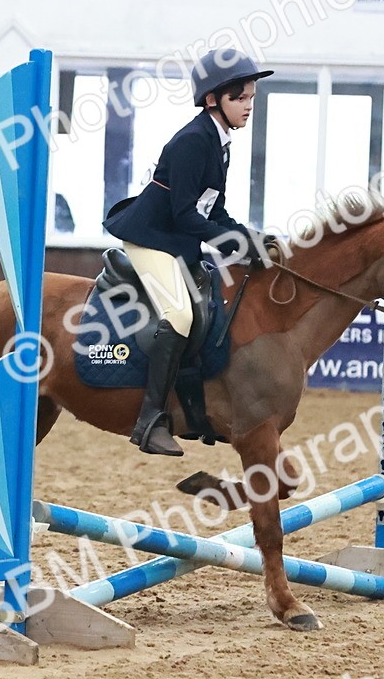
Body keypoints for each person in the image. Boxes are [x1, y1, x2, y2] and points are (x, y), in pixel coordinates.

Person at [103, 48, 280, 457]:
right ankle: (149, 420)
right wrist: (233, 243)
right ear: (212, 99)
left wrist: (250, 237)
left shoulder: (221, 143)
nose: (249, 106)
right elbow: (185, 216)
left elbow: (213, 210)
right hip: (151, 237)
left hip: (176, 238)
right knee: (180, 314)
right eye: (240, 98)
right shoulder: (191, 142)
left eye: (252, 98)